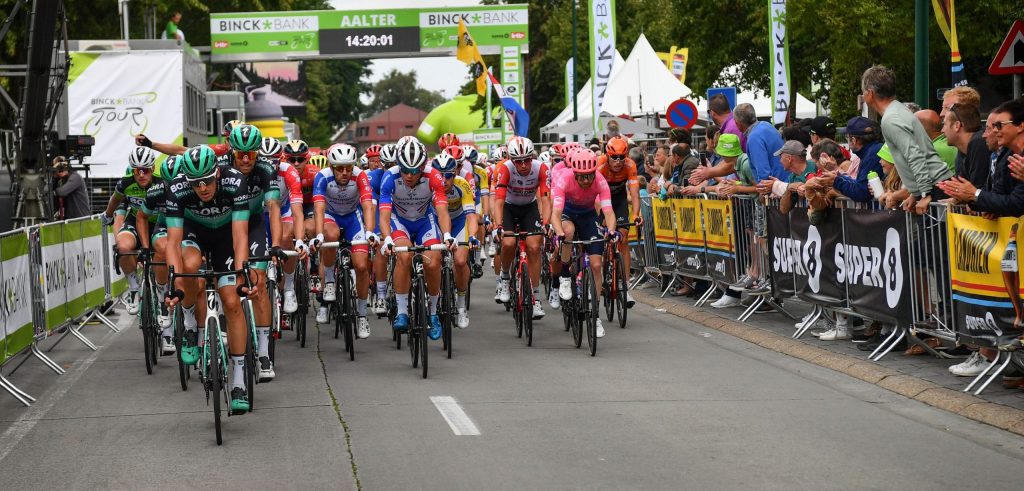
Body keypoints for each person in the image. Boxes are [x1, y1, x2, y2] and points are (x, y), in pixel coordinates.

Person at [164, 145, 254, 412]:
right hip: (195, 232)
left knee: (231, 300)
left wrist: (242, 274)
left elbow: (240, 236)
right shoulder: (177, 189)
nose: (202, 188)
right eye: (195, 183)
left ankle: (238, 380)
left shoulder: (235, 181)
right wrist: (174, 285)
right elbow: (173, 243)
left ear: (217, 172)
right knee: (189, 265)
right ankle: (191, 322)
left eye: (206, 181)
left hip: (226, 235)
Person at [215, 125, 282, 382]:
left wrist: (275, 244)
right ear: (232, 150)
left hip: (252, 224)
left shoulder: (266, 169)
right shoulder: (220, 167)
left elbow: (273, 206)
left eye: (251, 154)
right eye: (240, 153)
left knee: (258, 282)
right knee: (221, 281)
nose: (245, 159)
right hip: (222, 225)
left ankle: (264, 353)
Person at [379, 139, 456, 340]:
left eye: (414, 170)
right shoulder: (389, 177)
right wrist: (387, 239)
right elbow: (385, 216)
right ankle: (403, 311)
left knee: (434, 261)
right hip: (400, 222)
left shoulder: (433, 177)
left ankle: (433, 314)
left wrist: (447, 235)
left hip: (424, 221)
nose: (409, 175)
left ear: (423, 167)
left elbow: (442, 212)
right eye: (405, 170)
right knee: (403, 257)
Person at [861, 65, 953, 214]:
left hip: (935, 187)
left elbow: (914, 155)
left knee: (935, 236)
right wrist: (914, 193)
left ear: (870, 94)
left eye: (863, 92)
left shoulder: (890, 119)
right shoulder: (898, 109)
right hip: (935, 185)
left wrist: (924, 194)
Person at [551, 148, 618, 338]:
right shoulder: (564, 179)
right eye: (582, 177)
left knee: (596, 265)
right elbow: (555, 214)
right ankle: (564, 275)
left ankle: (595, 314)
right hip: (568, 213)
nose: (586, 181)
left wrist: (611, 231)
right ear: (574, 173)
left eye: (589, 176)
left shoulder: (600, 180)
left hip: (588, 216)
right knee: (568, 232)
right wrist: (558, 233)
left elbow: (608, 212)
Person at [310, 143, 376, 338]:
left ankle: (362, 314)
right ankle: (329, 279)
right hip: (330, 216)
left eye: (348, 167)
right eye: (340, 168)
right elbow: (319, 208)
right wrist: (319, 234)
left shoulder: (360, 176)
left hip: (353, 218)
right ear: (332, 167)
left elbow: (367, 206)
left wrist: (370, 231)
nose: (345, 172)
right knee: (330, 235)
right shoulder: (322, 177)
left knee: (362, 266)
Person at [492, 136, 550, 317]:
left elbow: (546, 200)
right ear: (511, 160)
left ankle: (536, 298)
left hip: (529, 208)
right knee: (508, 243)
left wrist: (546, 224)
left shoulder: (541, 168)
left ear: (532, 157)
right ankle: (505, 276)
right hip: (509, 207)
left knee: (534, 246)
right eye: (518, 161)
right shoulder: (505, 169)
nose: (523, 165)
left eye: (527, 160)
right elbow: (499, 202)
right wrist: (498, 225)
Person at [99, 147, 159, 316]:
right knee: (123, 246)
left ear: (152, 169)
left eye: (145, 170)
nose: (141, 174)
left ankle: (161, 290)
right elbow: (115, 202)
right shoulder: (125, 183)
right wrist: (108, 215)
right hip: (134, 221)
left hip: (157, 224)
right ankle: (133, 288)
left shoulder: (162, 183)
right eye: (137, 171)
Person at [433, 151, 479, 328]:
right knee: (433, 261)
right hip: (437, 223)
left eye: (449, 176)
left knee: (460, 261)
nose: (444, 181)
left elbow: (471, 215)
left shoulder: (462, 184)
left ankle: (460, 305)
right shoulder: (429, 186)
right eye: (440, 176)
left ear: (456, 174)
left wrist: (473, 236)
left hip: (459, 222)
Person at [597, 136, 642, 308]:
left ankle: (625, 285)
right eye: (614, 157)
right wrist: (598, 218)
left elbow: (635, 193)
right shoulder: (600, 164)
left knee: (623, 239)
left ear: (627, 156)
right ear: (607, 155)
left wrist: (636, 214)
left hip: (619, 200)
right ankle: (602, 273)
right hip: (601, 200)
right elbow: (595, 194)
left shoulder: (630, 165)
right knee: (602, 238)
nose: (618, 161)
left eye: (621, 157)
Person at [941, 103, 989, 189]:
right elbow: (963, 188)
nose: (942, 130)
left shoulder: (979, 143)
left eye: (944, 124)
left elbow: (976, 189)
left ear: (957, 125)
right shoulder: (961, 150)